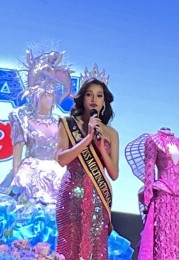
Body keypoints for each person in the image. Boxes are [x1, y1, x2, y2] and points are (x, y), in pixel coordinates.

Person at [0, 48, 73, 249]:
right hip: (30, 173)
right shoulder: (23, 118)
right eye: (46, 94)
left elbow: (60, 152)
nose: (50, 99)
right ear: (36, 95)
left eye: (52, 95)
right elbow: (17, 153)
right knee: (22, 214)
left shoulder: (60, 121)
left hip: (55, 173)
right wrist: (14, 175)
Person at [55, 64, 133, 260]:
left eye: (99, 95)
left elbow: (114, 174)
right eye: (89, 94)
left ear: (104, 102)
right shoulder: (67, 124)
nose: (94, 99)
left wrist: (100, 149)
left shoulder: (111, 133)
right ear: (82, 98)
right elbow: (62, 159)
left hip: (98, 198)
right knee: (69, 246)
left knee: (95, 250)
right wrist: (87, 139)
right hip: (71, 195)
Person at [125, 127, 179, 260]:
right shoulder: (153, 140)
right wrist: (147, 197)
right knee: (162, 235)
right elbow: (149, 170)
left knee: (178, 237)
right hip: (162, 195)